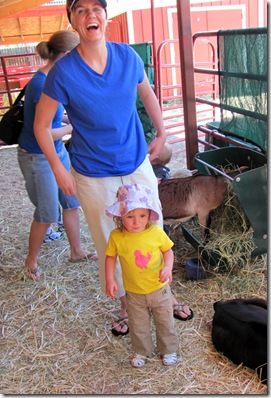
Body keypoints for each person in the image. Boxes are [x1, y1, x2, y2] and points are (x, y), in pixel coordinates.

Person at [33, 0, 193, 332]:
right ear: (74, 22)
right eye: (80, 10)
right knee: (111, 238)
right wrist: (59, 169)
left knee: (153, 229)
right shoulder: (63, 72)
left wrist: (163, 132)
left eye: (96, 8)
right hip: (93, 171)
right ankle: (126, 304)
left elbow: (147, 95)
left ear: (105, 16)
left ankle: (164, 292)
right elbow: (41, 126)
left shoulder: (127, 57)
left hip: (135, 161)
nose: (90, 15)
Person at [17, 30, 97, 281]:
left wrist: (69, 119)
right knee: (47, 211)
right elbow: (45, 131)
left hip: (56, 151)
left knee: (71, 201)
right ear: (64, 55)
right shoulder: (42, 84)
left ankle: (76, 251)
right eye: (75, 55)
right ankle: (31, 262)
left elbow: (54, 117)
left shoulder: (53, 77)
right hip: (37, 155)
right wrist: (74, 126)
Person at [105, 183, 179, 367]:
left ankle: (168, 350)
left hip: (159, 289)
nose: (137, 221)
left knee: (165, 321)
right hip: (134, 291)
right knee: (138, 325)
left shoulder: (155, 232)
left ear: (149, 215)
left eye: (142, 216)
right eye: (130, 216)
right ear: (121, 215)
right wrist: (109, 279)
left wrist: (168, 267)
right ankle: (142, 351)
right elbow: (110, 257)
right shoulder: (117, 236)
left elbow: (168, 251)